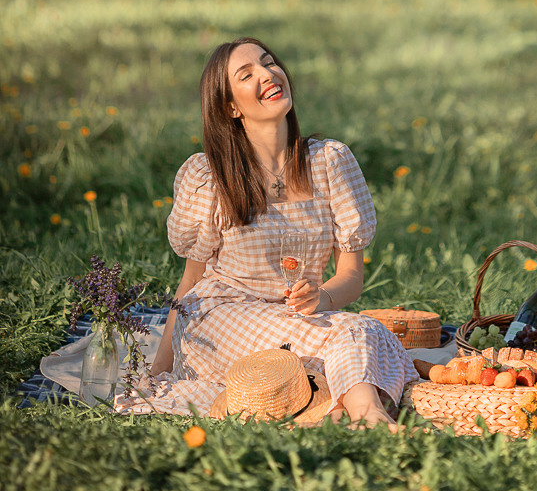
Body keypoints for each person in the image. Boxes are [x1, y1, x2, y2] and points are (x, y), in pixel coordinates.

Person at [140, 37, 417, 427]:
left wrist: (323, 297)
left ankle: (350, 414)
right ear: (231, 107)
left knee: (361, 328)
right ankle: (370, 416)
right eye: (247, 74)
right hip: (220, 319)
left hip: (297, 321)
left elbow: (351, 278)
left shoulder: (329, 162)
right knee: (353, 333)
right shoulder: (210, 177)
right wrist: (158, 372)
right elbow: (191, 281)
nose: (267, 74)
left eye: (269, 62)